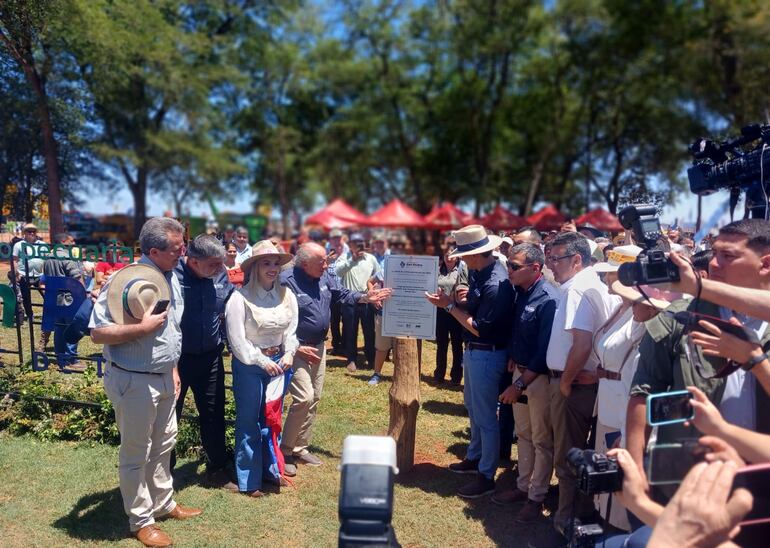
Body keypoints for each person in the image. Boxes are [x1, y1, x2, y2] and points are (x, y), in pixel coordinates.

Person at [627, 219, 770, 485]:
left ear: (766, 264)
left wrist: (754, 360)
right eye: (714, 253)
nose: (714, 264)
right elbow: (643, 393)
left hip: (761, 478)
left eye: (728, 256)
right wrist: (636, 467)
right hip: (691, 476)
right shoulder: (679, 317)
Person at [89, 217, 200, 547]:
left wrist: (174, 369)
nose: (183, 253)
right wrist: (141, 328)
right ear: (155, 250)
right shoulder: (122, 282)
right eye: (178, 249)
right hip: (134, 380)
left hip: (164, 377)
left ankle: (163, 503)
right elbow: (97, 333)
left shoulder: (169, 277)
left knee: (165, 443)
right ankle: (141, 519)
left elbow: (172, 332)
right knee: (137, 451)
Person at [280, 243, 391, 475]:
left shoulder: (323, 277)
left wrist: (365, 297)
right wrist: (295, 347)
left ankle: (300, 447)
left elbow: (341, 293)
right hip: (297, 348)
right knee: (304, 397)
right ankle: (286, 450)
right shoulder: (285, 280)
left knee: (315, 397)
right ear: (304, 263)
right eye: (321, 261)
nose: (326, 264)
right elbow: (276, 318)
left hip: (319, 347)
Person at [425, 225, 513, 498]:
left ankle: (486, 475)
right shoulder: (480, 273)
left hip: (487, 351)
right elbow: (473, 309)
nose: (461, 258)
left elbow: (481, 328)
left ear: (475, 255)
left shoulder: (495, 283)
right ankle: (475, 459)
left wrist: (449, 307)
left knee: (486, 417)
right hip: (477, 352)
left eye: (464, 254)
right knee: (474, 410)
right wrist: (457, 300)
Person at [545, 231, 619, 535]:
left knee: (568, 456)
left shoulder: (579, 288)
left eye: (556, 258)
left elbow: (582, 343)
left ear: (577, 260)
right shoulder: (588, 285)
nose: (551, 264)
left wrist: (566, 381)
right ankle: (576, 516)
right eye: (549, 257)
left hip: (574, 385)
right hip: (582, 382)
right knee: (577, 453)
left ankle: (566, 522)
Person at [590, 280, 677, 531]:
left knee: (624, 497)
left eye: (637, 301)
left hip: (631, 427)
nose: (631, 305)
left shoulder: (653, 344)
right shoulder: (642, 331)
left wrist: (627, 435)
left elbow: (640, 395)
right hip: (621, 419)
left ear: (652, 309)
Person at [225, 240, 298, 497]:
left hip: (279, 366)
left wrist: (289, 352)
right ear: (254, 267)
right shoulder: (239, 299)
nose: (272, 268)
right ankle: (249, 480)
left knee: (271, 418)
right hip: (250, 366)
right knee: (249, 420)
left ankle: (270, 470)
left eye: (276, 263)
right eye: (266, 263)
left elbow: (291, 329)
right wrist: (260, 360)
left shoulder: (286, 295)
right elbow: (238, 341)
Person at [492, 243, 557, 522]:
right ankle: (523, 486)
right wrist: (512, 356)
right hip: (520, 372)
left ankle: (536, 495)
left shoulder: (548, 299)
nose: (509, 270)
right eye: (508, 264)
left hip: (538, 379)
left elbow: (544, 353)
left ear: (535, 268)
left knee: (542, 439)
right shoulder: (522, 292)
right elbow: (516, 330)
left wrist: (519, 384)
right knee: (524, 433)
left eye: (514, 266)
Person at [172, 235, 236, 490]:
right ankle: (164, 471)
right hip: (177, 359)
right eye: (213, 264)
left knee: (213, 412)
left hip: (210, 356)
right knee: (169, 415)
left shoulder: (220, 275)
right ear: (193, 261)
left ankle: (217, 469)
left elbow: (232, 303)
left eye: (221, 263)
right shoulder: (172, 276)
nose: (220, 269)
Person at [334, 233, 380, 373]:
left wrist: (374, 291)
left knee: (369, 330)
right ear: (350, 244)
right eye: (355, 242)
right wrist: (351, 261)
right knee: (350, 330)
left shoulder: (371, 258)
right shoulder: (344, 257)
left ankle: (371, 358)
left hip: (367, 299)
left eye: (360, 242)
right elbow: (338, 272)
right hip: (349, 299)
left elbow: (377, 276)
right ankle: (351, 359)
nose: (358, 245)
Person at [43, 233, 87, 372]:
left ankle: (60, 356)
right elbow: (76, 277)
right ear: (63, 241)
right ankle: (71, 359)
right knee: (71, 327)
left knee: (59, 327)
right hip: (68, 297)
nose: (73, 243)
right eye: (71, 240)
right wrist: (83, 295)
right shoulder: (67, 256)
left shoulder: (49, 257)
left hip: (53, 297)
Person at [433, 238, 467, 385]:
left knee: (457, 344)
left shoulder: (462, 269)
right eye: (446, 255)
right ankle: (439, 374)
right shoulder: (437, 269)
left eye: (452, 255)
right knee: (441, 344)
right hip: (440, 312)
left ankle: (456, 376)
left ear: (458, 256)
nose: (449, 258)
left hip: (455, 312)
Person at [11, 223, 46, 326]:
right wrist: (16, 273)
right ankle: (30, 316)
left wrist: (46, 273)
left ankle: (50, 313)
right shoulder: (18, 245)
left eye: (33, 231)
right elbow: (15, 260)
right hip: (24, 275)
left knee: (47, 294)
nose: (31, 233)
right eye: (29, 231)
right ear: (24, 233)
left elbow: (46, 259)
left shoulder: (42, 244)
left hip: (40, 275)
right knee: (26, 297)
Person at [325, 228, 348, 355]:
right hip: (332, 293)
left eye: (338, 238)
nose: (337, 241)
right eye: (334, 238)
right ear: (331, 241)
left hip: (344, 292)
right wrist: (327, 261)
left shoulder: (348, 255)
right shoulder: (327, 254)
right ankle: (336, 345)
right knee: (334, 321)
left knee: (346, 320)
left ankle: (344, 345)